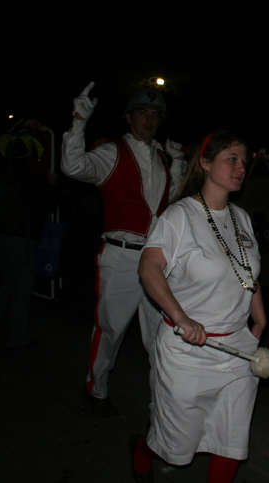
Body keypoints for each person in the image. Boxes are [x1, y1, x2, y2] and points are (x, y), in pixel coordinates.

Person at [132, 130, 266, 483]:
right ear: (205, 163)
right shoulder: (180, 216)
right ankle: (144, 450)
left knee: (231, 439)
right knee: (176, 443)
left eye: (244, 161)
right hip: (188, 350)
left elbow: (246, 272)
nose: (241, 167)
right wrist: (181, 317)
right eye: (231, 159)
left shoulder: (242, 218)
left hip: (237, 350)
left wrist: (259, 314)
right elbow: (149, 268)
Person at [61, 82, 185, 417]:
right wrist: (79, 122)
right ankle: (96, 388)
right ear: (129, 118)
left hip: (155, 260)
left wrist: (176, 162)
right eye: (143, 113)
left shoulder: (160, 156)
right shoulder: (112, 152)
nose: (150, 119)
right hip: (120, 254)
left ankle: (162, 399)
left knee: (161, 336)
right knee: (111, 329)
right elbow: (73, 167)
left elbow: (169, 201)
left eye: (155, 114)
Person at [0, 128, 56, 349]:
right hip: (17, 240)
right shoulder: (30, 178)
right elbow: (47, 206)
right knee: (23, 288)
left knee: (9, 281)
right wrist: (50, 184)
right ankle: (17, 339)